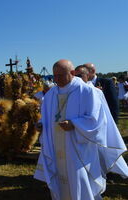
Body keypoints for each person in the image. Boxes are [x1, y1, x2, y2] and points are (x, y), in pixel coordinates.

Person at [34, 59, 128, 200]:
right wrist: (41, 124)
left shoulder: (87, 91)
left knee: (78, 179)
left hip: (77, 146)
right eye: (55, 76)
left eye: (60, 75)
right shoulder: (51, 94)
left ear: (72, 73)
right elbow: (47, 115)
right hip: (56, 146)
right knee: (60, 180)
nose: (56, 79)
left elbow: (96, 119)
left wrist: (74, 124)